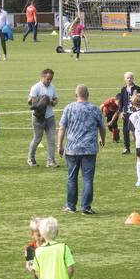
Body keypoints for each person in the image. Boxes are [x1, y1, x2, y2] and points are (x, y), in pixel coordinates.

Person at [58, 84, 106, 214]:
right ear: (88, 95)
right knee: (88, 178)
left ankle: (71, 206)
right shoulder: (95, 109)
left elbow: (62, 127)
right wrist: (102, 138)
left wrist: (59, 145)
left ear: (76, 95)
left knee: (72, 177)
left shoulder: (69, 108)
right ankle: (86, 207)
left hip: (72, 148)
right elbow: (102, 127)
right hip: (89, 148)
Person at [28, 68, 59, 167]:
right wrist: (41, 101)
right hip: (38, 117)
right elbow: (30, 101)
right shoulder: (36, 87)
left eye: (51, 79)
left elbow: (55, 101)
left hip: (50, 116)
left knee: (51, 139)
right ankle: (30, 158)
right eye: (48, 79)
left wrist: (51, 102)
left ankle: (51, 161)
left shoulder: (52, 87)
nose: (49, 81)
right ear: (43, 77)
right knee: (37, 138)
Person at [116, 72, 140, 154]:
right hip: (126, 113)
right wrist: (121, 112)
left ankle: (139, 147)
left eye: (131, 78)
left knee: (136, 131)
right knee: (125, 131)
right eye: (127, 78)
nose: (129, 79)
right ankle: (127, 148)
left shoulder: (137, 88)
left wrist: (138, 110)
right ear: (124, 79)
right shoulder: (123, 89)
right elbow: (122, 102)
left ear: (133, 79)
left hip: (135, 113)